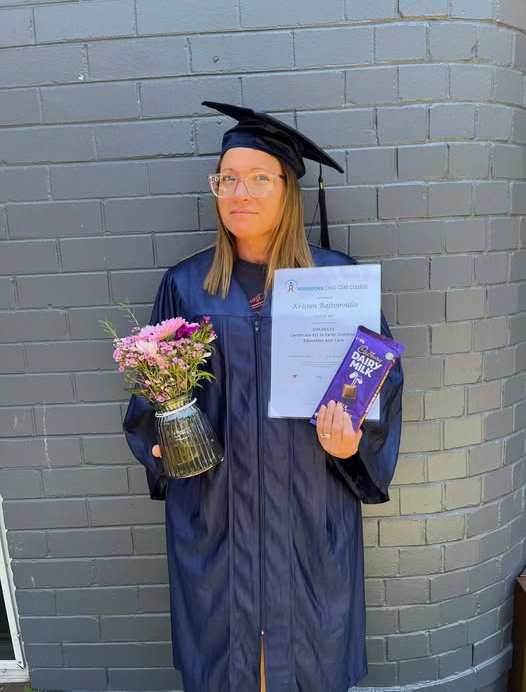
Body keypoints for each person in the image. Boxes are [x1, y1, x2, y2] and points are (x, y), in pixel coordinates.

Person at [123, 101, 404, 692]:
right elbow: (152, 399)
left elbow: (375, 392)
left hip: (308, 509)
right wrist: (160, 444)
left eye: (258, 178)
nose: (238, 193)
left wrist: (352, 440)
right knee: (223, 660)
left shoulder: (338, 284)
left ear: (289, 191)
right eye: (227, 178)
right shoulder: (185, 286)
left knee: (309, 660)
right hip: (215, 512)